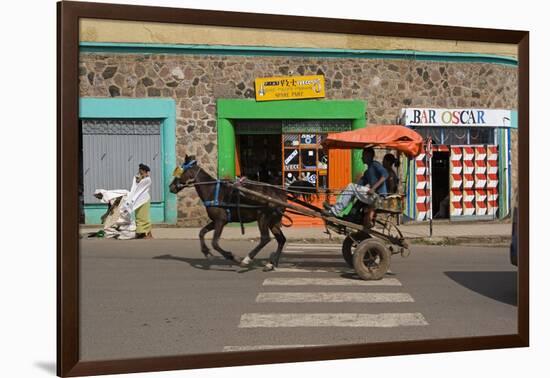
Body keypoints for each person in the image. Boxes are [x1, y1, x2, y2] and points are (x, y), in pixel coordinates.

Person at [324, 147, 388, 226]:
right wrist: (345, 189)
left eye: (363, 155)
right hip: (373, 196)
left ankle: (335, 211)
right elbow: (358, 184)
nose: (361, 157)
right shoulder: (368, 172)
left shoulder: (375, 164)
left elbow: (385, 175)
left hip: (378, 197)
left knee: (351, 187)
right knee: (351, 188)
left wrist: (373, 188)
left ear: (369, 155)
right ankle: (349, 214)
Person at [123, 163, 153, 239]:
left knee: (144, 217)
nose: (140, 173)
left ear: (145, 172)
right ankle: (141, 233)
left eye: (141, 171)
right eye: (139, 171)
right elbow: (135, 186)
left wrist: (139, 180)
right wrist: (137, 180)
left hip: (144, 200)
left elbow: (140, 186)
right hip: (138, 200)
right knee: (138, 216)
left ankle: (145, 233)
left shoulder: (147, 180)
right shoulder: (140, 178)